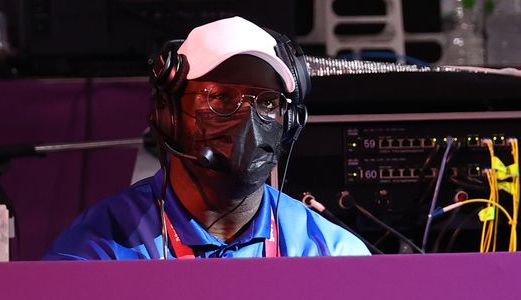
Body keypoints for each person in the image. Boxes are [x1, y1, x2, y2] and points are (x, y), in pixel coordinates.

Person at [43, 17, 368, 260]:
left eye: (267, 102)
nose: (248, 118)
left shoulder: (333, 254)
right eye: (222, 98)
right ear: (167, 113)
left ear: (292, 122)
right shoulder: (97, 251)